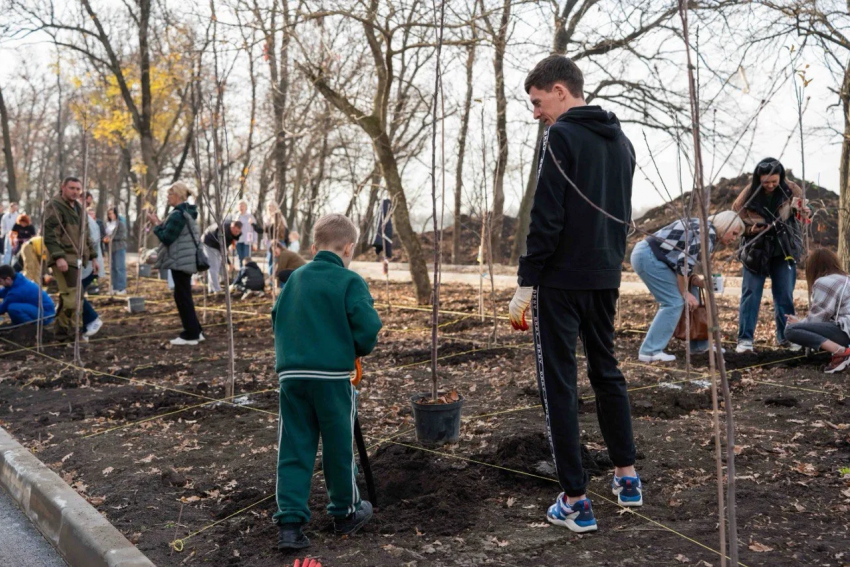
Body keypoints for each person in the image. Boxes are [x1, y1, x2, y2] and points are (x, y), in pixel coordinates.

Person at [508, 55, 640, 533]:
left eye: (538, 102)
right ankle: (627, 478)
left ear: (561, 91)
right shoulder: (621, 141)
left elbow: (547, 214)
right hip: (605, 277)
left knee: (558, 383)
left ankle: (576, 500)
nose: (536, 112)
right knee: (607, 371)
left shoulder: (561, 137)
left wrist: (528, 278)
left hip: (561, 282)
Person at [272, 213, 382, 550]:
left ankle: (290, 525)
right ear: (349, 248)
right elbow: (368, 328)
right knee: (338, 446)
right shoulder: (349, 281)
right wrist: (355, 349)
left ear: (313, 246)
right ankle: (345, 513)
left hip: (291, 377)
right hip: (332, 379)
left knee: (293, 447)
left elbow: (277, 317)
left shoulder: (295, 279)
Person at [631, 212, 744, 362]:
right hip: (649, 256)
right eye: (734, 233)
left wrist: (694, 281)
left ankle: (700, 345)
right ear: (725, 225)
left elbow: (682, 258)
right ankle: (650, 351)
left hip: (656, 257)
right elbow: (684, 263)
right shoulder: (707, 233)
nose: (734, 238)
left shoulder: (704, 228)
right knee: (673, 302)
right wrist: (684, 292)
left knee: (693, 290)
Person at [734, 158, 809, 353]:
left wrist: (805, 212)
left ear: (781, 178)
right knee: (751, 293)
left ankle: (787, 336)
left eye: (773, 181)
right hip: (755, 249)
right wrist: (752, 229)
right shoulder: (747, 197)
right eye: (765, 181)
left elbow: (802, 216)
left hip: (783, 249)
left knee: (784, 294)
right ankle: (745, 340)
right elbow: (736, 222)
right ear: (758, 179)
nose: (769, 185)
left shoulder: (791, 190)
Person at [149, 182, 205, 346]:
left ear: (178, 195)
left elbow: (167, 238)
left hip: (180, 260)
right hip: (185, 259)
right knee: (184, 295)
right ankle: (196, 330)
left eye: (170, 194)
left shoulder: (177, 214)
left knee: (182, 296)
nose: (167, 197)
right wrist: (160, 224)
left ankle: (191, 334)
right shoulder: (187, 212)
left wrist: (156, 226)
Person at [43, 177, 98, 342]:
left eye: (78, 189)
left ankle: (63, 334)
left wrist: (94, 257)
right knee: (73, 299)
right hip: (64, 258)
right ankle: (69, 335)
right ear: (63, 188)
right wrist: (59, 257)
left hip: (77, 259)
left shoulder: (79, 209)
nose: (75, 192)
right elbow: (50, 234)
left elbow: (86, 236)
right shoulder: (55, 206)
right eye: (71, 188)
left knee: (73, 298)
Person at [785, 248, 850, 373]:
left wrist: (797, 324)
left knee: (790, 331)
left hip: (846, 331)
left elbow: (818, 318)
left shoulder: (824, 282)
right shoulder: (846, 278)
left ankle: (842, 353)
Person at [79, 209, 104, 339]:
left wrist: (93, 260)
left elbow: (91, 242)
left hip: (88, 266)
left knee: (75, 294)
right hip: (87, 265)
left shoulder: (84, 220)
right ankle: (84, 331)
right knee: (74, 296)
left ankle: (92, 320)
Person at [202, 220, 242, 293]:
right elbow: (223, 249)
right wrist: (229, 263)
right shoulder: (223, 231)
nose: (237, 233)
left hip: (217, 246)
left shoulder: (234, 232)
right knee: (214, 267)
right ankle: (217, 289)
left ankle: (212, 289)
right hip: (209, 243)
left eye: (238, 232)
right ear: (232, 227)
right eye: (236, 231)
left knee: (216, 267)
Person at [104, 207, 128, 294]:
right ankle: (114, 287)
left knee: (119, 267)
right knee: (113, 268)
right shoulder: (108, 224)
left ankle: (121, 287)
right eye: (109, 214)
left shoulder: (120, 224)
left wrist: (111, 238)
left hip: (119, 248)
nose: (111, 215)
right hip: (111, 249)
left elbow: (122, 236)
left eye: (112, 213)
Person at [264, 202, 289, 275]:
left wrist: (285, 244)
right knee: (270, 261)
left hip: (280, 242)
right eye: (268, 206)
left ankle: (277, 280)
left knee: (280, 262)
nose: (269, 208)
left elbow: (286, 231)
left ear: (275, 207)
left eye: (271, 206)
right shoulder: (267, 218)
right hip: (271, 242)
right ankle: (271, 280)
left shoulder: (280, 217)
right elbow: (265, 231)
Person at [236, 200, 257, 267]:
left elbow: (254, 230)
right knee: (240, 258)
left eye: (243, 205)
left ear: (246, 207)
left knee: (246, 258)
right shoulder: (236, 217)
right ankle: (241, 273)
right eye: (240, 205)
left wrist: (255, 242)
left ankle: (247, 273)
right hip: (238, 241)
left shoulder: (250, 217)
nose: (241, 207)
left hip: (247, 241)